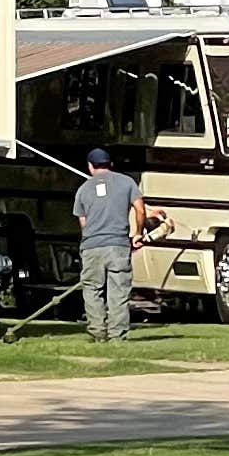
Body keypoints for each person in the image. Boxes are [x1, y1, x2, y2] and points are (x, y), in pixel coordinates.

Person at [72, 145, 143, 341]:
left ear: (90, 166)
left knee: (92, 290)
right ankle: (117, 335)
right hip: (118, 245)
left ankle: (97, 332)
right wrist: (138, 233)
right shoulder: (127, 183)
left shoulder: (83, 190)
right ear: (110, 164)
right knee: (118, 291)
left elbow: (83, 223)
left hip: (91, 246)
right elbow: (140, 210)